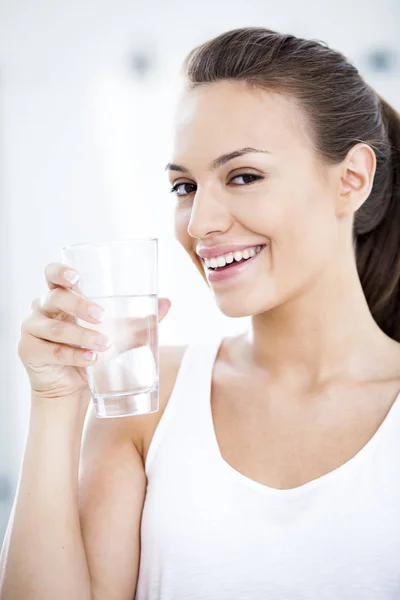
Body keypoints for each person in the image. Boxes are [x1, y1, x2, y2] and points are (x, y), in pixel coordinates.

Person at [1, 25, 400, 600]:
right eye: (184, 186)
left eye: (244, 176)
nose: (200, 222)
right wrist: (55, 401)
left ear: (352, 179)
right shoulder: (146, 402)